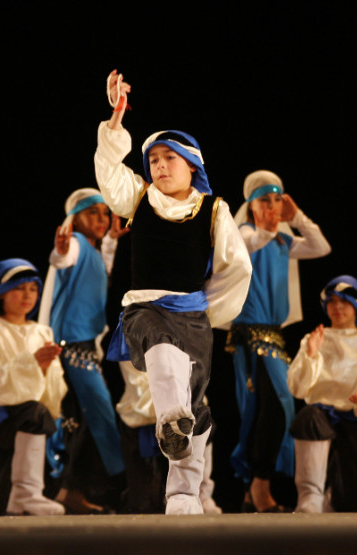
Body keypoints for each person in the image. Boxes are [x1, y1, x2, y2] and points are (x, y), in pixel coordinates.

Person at [95, 70, 251, 514]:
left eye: (169, 158)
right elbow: (109, 171)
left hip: (193, 315)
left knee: (197, 407)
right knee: (163, 351)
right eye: (155, 160)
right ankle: (168, 420)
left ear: (192, 164)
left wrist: (208, 311)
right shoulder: (138, 199)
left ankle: (183, 494)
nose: (160, 166)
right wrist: (115, 122)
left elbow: (235, 267)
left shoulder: (213, 209)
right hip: (144, 308)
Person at [228, 170, 331, 512]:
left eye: (277, 200)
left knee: (267, 411)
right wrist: (268, 227)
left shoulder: (283, 242)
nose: (272, 207)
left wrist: (296, 217)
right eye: (264, 200)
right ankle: (259, 486)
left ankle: (253, 490)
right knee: (274, 407)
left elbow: (321, 246)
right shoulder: (241, 233)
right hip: (250, 336)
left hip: (274, 338)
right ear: (250, 205)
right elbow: (248, 243)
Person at [39, 188, 126, 513]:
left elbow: (101, 272)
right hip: (70, 348)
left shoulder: (92, 249)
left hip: (85, 348)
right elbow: (62, 258)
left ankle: (70, 490)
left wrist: (112, 241)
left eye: (105, 213)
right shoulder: (74, 243)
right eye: (94, 213)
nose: (102, 219)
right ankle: (105, 486)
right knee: (96, 415)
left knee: (82, 419)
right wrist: (59, 251)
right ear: (73, 220)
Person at [0, 258, 68, 516]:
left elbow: (52, 388)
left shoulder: (42, 332)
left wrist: (42, 368)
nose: (27, 295)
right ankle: (27, 493)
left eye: (33, 289)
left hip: (27, 410)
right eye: (20, 288)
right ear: (2, 293)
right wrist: (31, 363)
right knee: (34, 413)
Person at [287, 276, 357, 512]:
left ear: (356, 307)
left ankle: (334, 500)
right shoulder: (315, 339)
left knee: (351, 504)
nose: (337, 307)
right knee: (309, 417)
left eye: (343, 302)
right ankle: (310, 497)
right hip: (321, 416)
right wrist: (311, 355)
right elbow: (297, 388)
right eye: (332, 302)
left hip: (354, 421)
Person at [115, 360, 223, 514]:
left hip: (184, 405)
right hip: (142, 416)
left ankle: (200, 494)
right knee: (144, 505)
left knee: (198, 418)